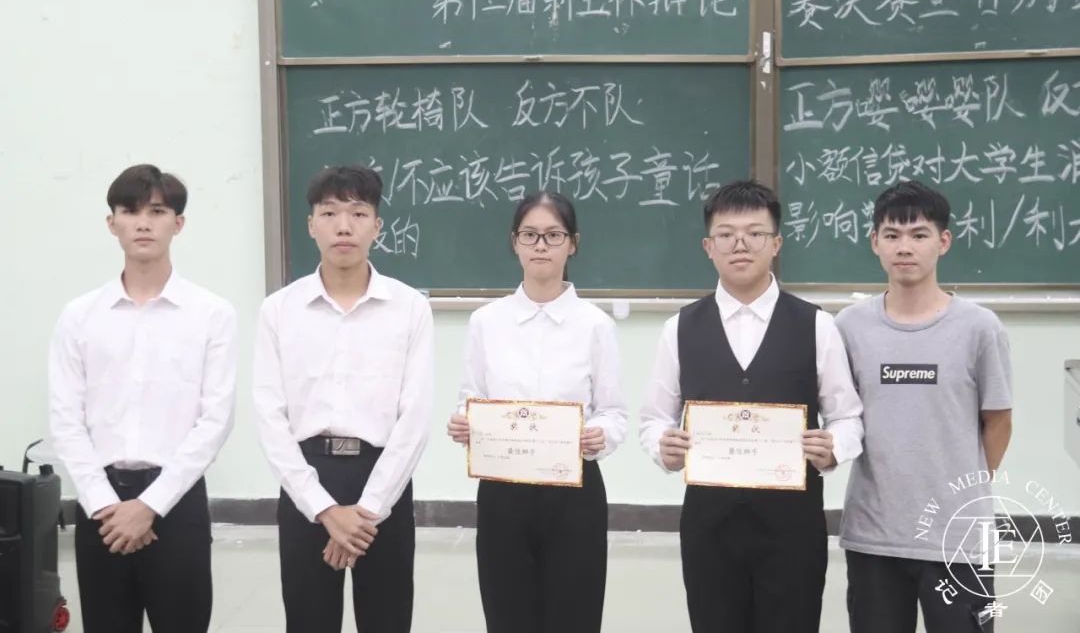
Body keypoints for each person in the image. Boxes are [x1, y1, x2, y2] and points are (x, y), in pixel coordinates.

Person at [639, 179, 864, 633]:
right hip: (709, 527)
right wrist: (663, 445)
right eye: (726, 234)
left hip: (792, 528)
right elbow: (654, 419)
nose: (739, 244)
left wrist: (833, 448)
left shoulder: (816, 325)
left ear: (776, 243)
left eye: (754, 233)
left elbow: (847, 416)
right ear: (708, 247)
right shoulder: (679, 328)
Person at [49, 164, 237, 633]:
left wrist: (150, 505)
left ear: (178, 223)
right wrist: (104, 504)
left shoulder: (211, 314)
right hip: (101, 507)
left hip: (177, 504)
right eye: (130, 212)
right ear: (111, 223)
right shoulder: (80, 316)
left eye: (157, 211)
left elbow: (215, 420)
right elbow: (66, 419)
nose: (143, 223)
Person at [253, 165, 433, 633]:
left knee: (387, 620)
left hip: (383, 481)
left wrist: (366, 512)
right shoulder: (279, 310)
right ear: (311, 225)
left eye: (358, 213)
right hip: (306, 481)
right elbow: (270, 417)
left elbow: (414, 418)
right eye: (329, 213)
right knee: (308, 621)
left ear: (378, 226)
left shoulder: (410, 308)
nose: (344, 226)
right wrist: (324, 510)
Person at [836, 181, 1013, 633]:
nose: (905, 247)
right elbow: (839, 416)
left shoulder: (980, 327)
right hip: (874, 537)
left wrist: (961, 488)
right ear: (874, 242)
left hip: (959, 540)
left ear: (943, 241)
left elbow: (998, 421)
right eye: (892, 235)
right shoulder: (849, 327)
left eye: (919, 234)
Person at [446, 191, 627, 633]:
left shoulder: (595, 325)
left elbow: (613, 413)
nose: (541, 245)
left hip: (574, 492)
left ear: (573, 243)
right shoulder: (486, 322)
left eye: (553, 235)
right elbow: (471, 397)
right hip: (503, 491)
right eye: (530, 235)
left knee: (574, 615)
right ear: (515, 243)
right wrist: (464, 423)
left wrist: (600, 435)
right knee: (507, 614)